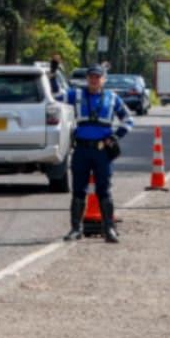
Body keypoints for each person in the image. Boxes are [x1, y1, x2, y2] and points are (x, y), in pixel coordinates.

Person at [61, 65, 134, 243]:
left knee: (104, 190)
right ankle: (75, 229)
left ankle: (108, 228)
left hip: (102, 152)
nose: (94, 80)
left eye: (97, 77)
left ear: (103, 79)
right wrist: (54, 73)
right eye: (91, 77)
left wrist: (116, 137)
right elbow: (54, 96)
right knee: (78, 190)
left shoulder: (112, 98)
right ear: (87, 79)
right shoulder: (76, 95)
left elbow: (128, 119)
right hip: (81, 150)